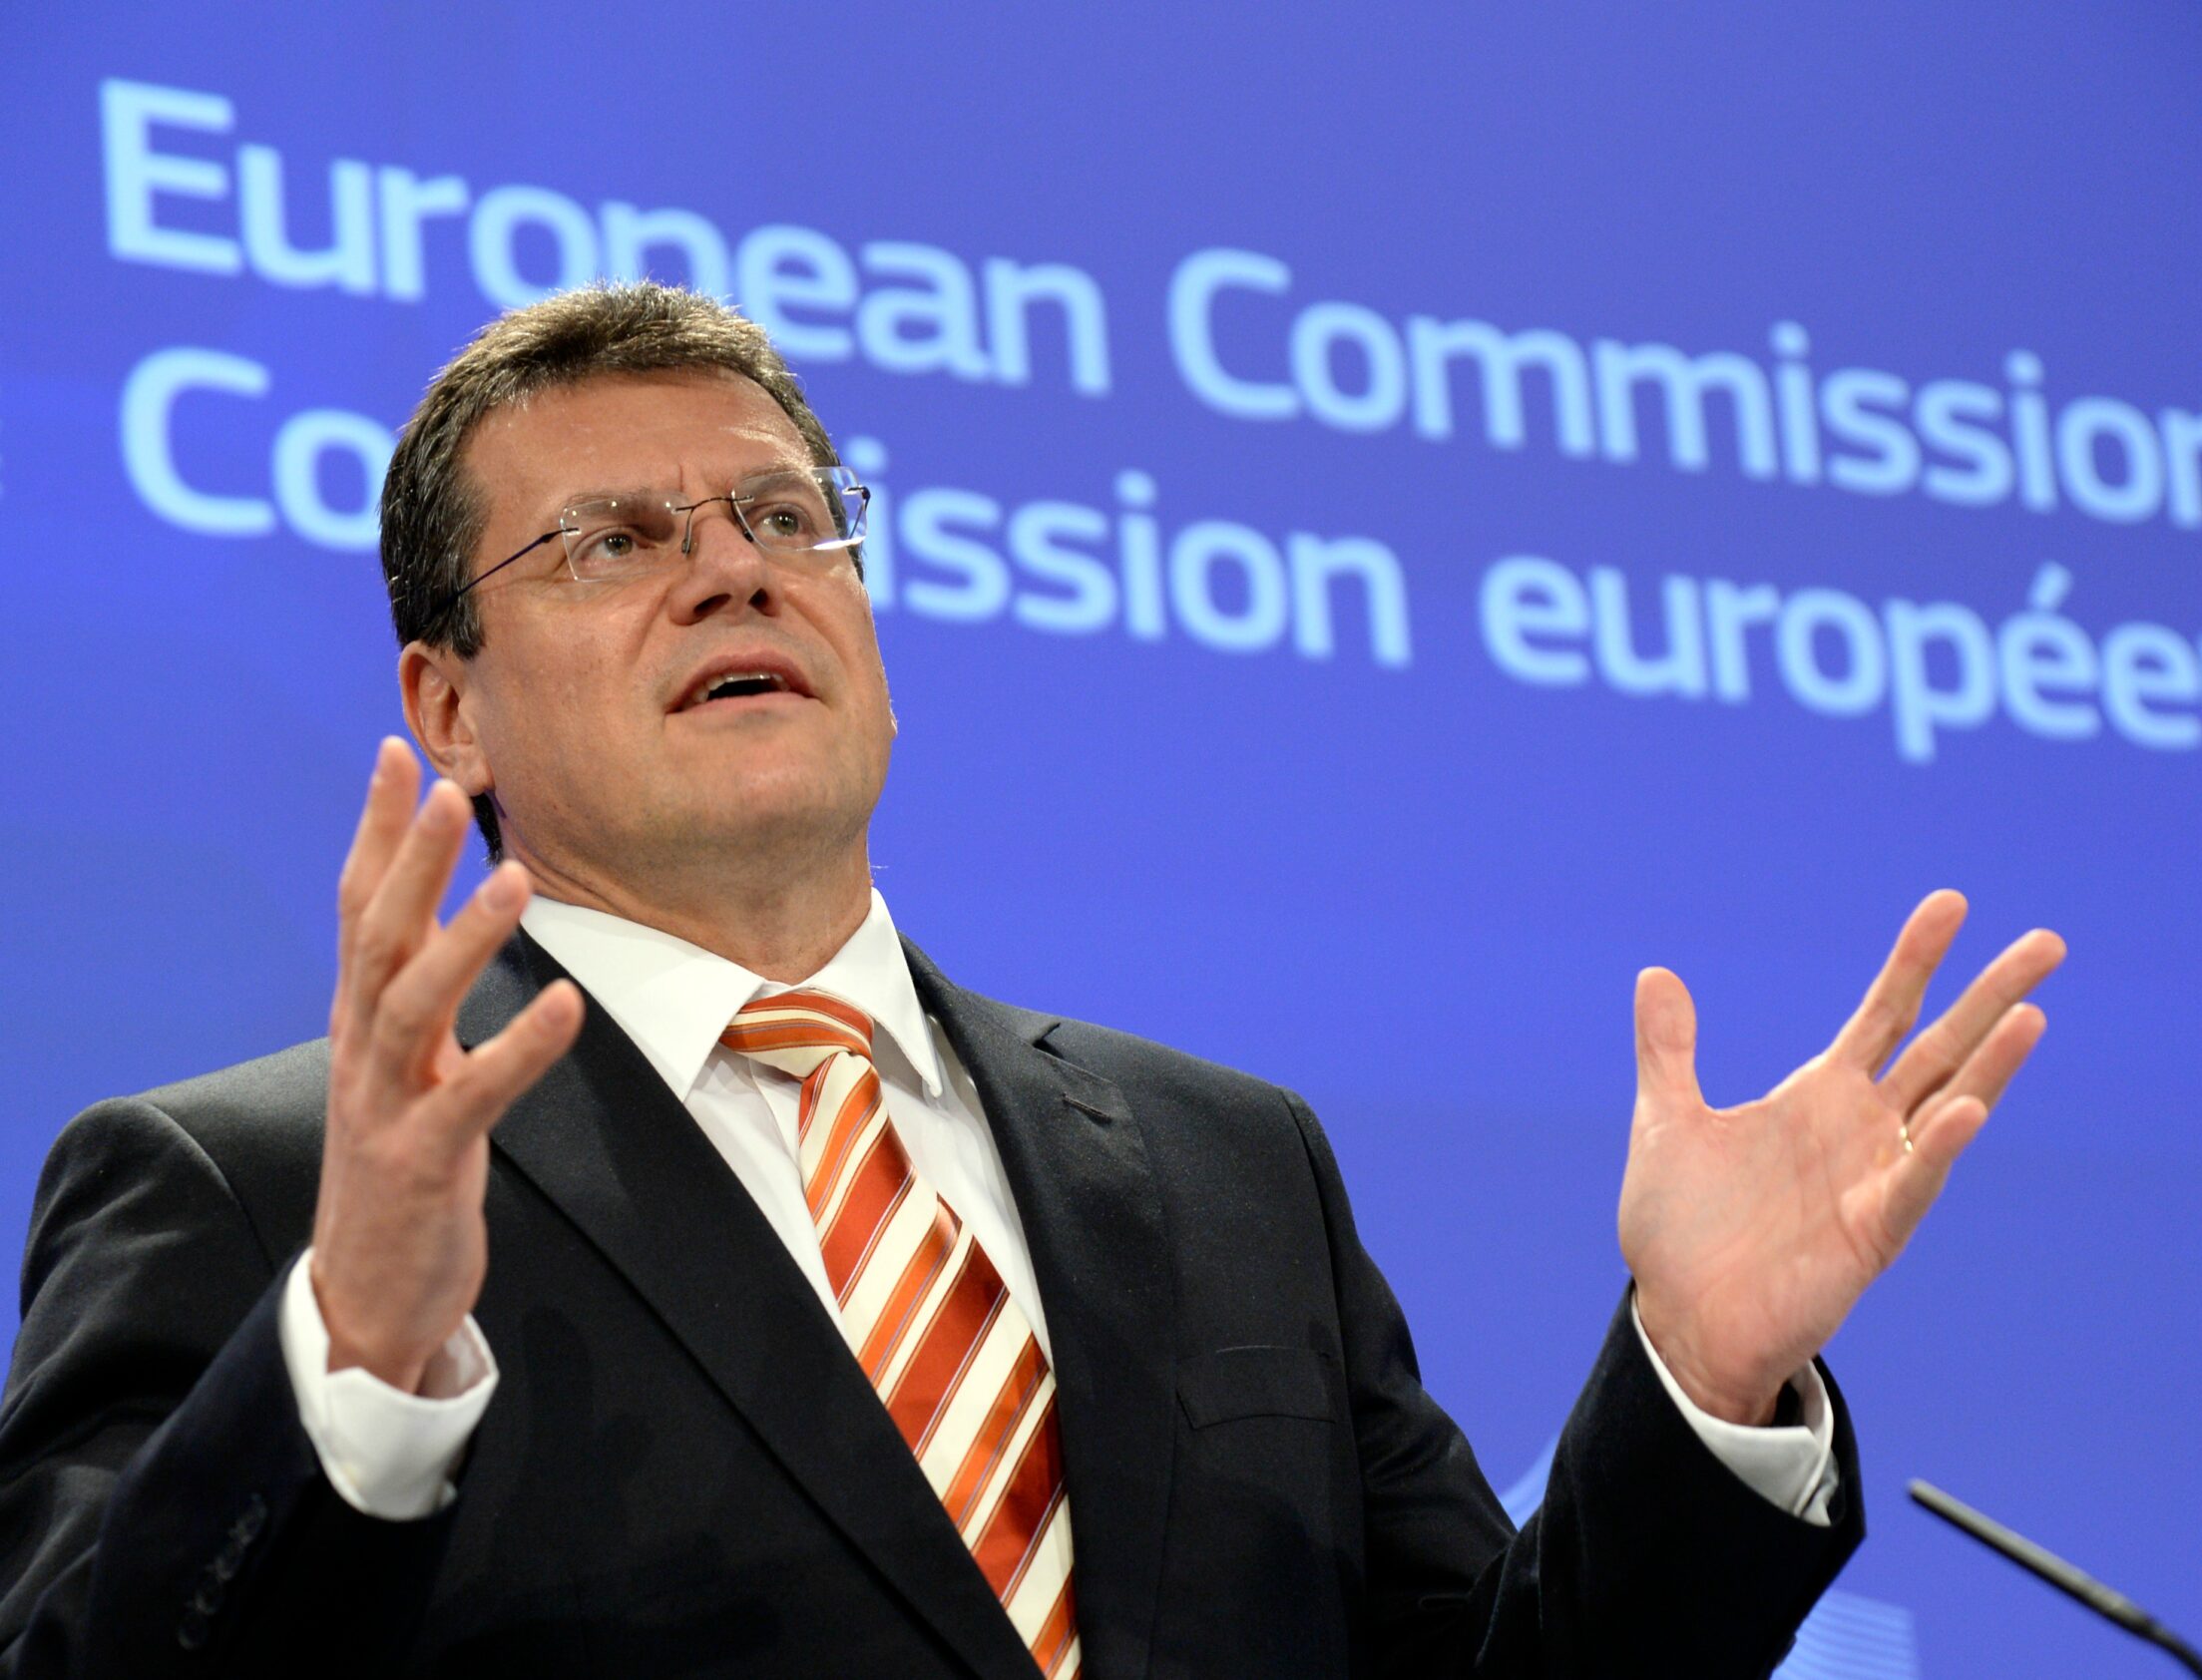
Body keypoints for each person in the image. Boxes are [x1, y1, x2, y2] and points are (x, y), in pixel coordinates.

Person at [0, 282, 2062, 1678]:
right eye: (613, 542)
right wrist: (354, 1359)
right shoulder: (250, 1189)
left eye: (782, 514)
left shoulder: (1227, 1162)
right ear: (446, 705)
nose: (732, 567)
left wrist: (1695, 1385)